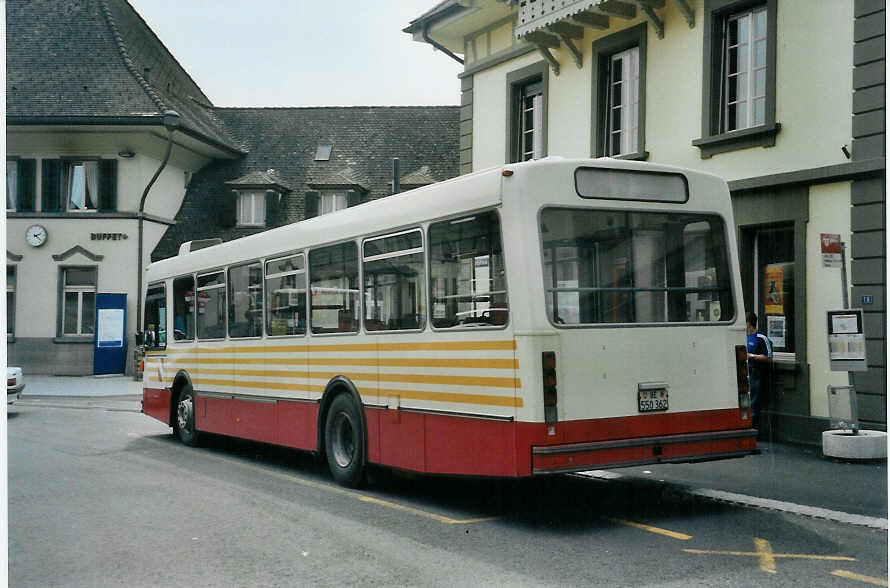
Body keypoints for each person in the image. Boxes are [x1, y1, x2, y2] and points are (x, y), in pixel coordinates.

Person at [746, 311, 772, 418]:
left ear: (749, 323)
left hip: (755, 372)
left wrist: (751, 356)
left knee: (753, 401)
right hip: (744, 371)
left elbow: (768, 357)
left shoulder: (761, 338)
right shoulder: (743, 336)